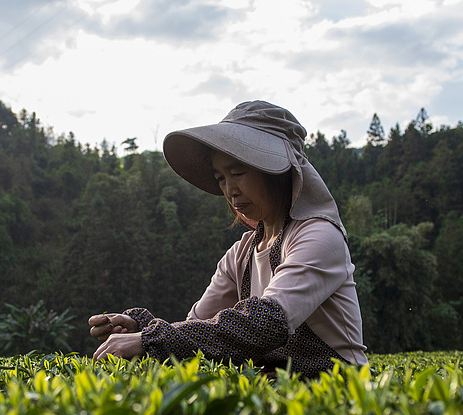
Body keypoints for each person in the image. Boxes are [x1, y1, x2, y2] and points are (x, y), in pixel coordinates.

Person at [88, 100, 367, 378]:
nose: (230, 191)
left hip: (337, 389)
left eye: (238, 173)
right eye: (221, 178)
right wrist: (141, 329)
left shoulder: (318, 235)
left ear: (276, 172)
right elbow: (198, 328)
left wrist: (148, 340)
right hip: (275, 390)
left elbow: (267, 323)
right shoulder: (241, 253)